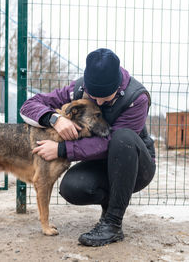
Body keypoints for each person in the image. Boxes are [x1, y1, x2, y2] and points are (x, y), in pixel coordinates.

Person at [20, 48, 156, 246]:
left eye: (106, 98)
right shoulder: (78, 89)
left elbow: (108, 144)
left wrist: (62, 149)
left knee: (122, 137)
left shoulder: (137, 99)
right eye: (94, 97)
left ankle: (113, 223)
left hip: (135, 166)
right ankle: (109, 203)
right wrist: (54, 119)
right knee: (72, 187)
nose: (99, 102)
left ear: (117, 86)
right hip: (101, 164)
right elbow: (29, 105)